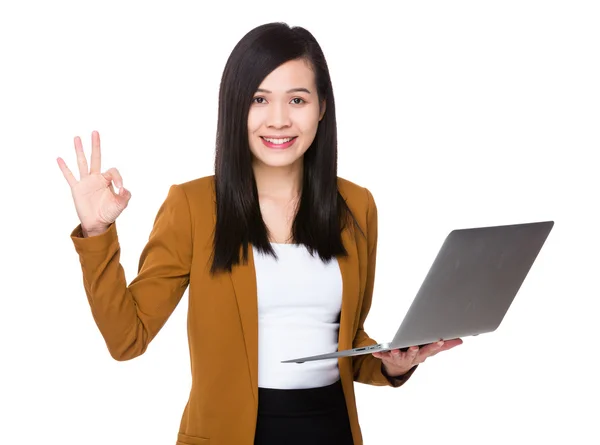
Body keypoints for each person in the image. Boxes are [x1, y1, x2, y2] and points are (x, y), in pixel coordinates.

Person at [57, 22, 462, 445]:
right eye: (259, 99)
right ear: (236, 107)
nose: (279, 120)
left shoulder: (356, 206)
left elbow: (348, 341)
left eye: (298, 99)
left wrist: (392, 365)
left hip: (331, 428)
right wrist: (97, 230)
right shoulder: (193, 206)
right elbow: (128, 339)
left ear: (322, 106)